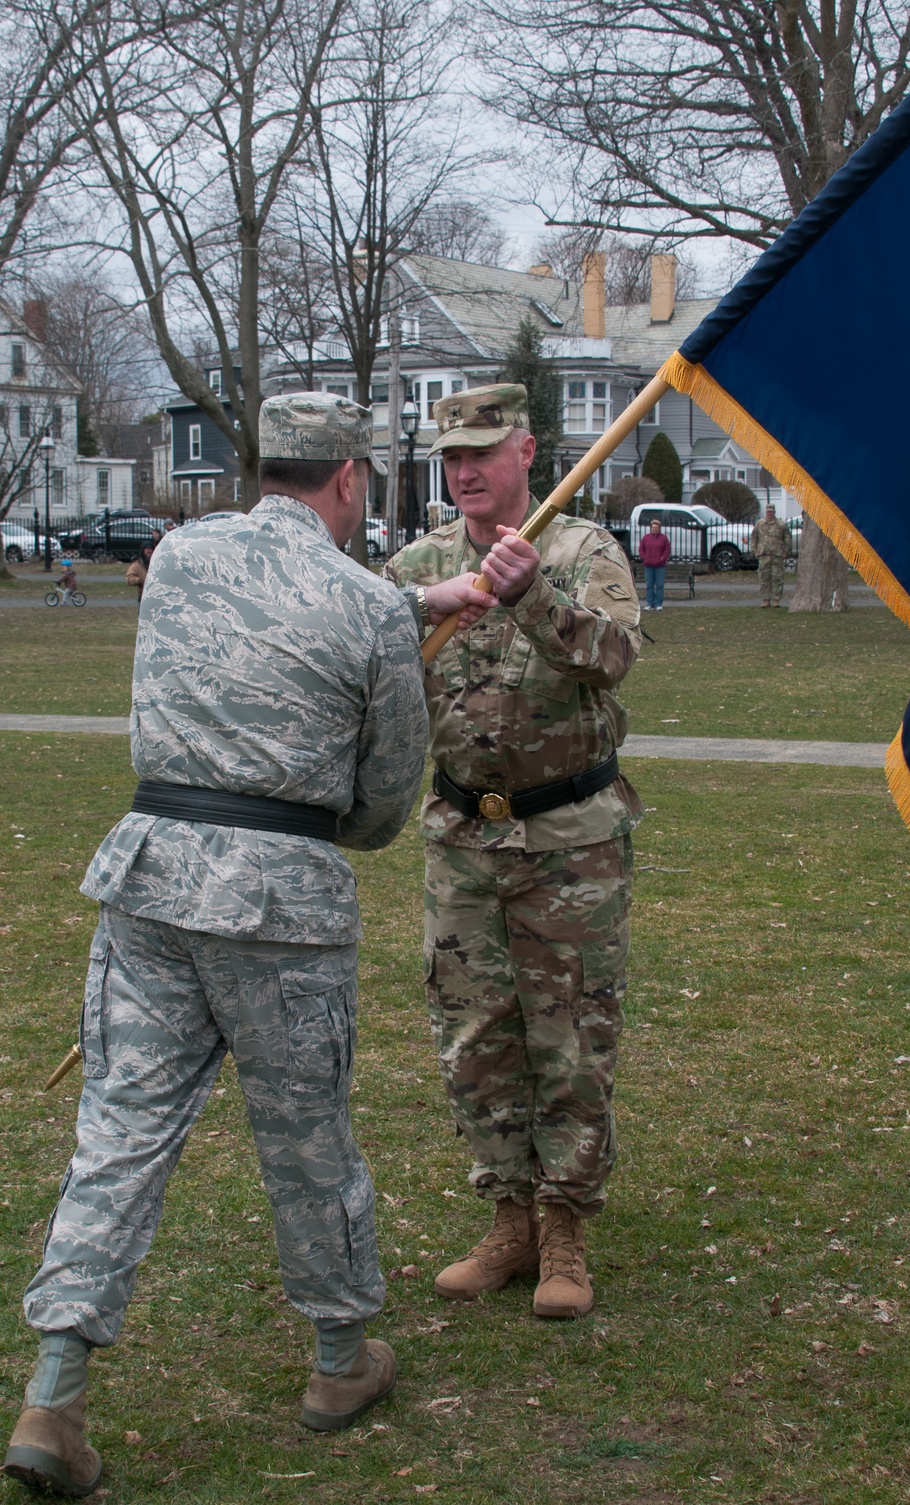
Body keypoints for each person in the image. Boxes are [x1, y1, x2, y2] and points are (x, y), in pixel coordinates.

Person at [4, 394, 434, 1498]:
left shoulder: (177, 552)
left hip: (148, 875)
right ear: (347, 476)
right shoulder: (374, 606)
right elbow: (386, 802)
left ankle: (53, 1392)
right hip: (279, 899)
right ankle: (340, 1365)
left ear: (263, 465)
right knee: (306, 1140)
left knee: (120, 1130)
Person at [384, 383, 643, 1322]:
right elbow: (358, 661)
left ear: (525, 450)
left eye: (481, 452)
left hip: (568, 841)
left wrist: (532, 591)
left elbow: (614, 656)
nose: (464, 471)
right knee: (475, 1035)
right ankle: (508, 1213)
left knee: (570, 1035)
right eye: (451, 457)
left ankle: (565, 1219)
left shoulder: (581, 551)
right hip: (462, 839)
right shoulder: (418, 564)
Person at [750, 502, 793, 607]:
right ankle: (765, 599)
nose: (769, 513)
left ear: (774, 512)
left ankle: (776, 600)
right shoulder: (760, 523)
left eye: (771, 512)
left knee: (777, 578)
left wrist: (785, 551)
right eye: (768, 512)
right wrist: (754, 550)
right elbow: (754, 537)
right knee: (764, 578)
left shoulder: (781, 525)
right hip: (763, 554)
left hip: (777, 554)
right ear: (766, 512)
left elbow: (787, 538)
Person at [637, 518, 670, 609]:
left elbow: (667, 549)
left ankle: (658, 604)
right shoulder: (646, 538)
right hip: (648, 566)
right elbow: (641, 549)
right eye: (653, 527)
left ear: (659, 528)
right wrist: (645, 558)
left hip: (660, 566)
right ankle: (649, 603)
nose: (654, 529)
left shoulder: (664, 538)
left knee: (659, 585)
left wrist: (662, 558)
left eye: (656, 527)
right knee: (649, 585)